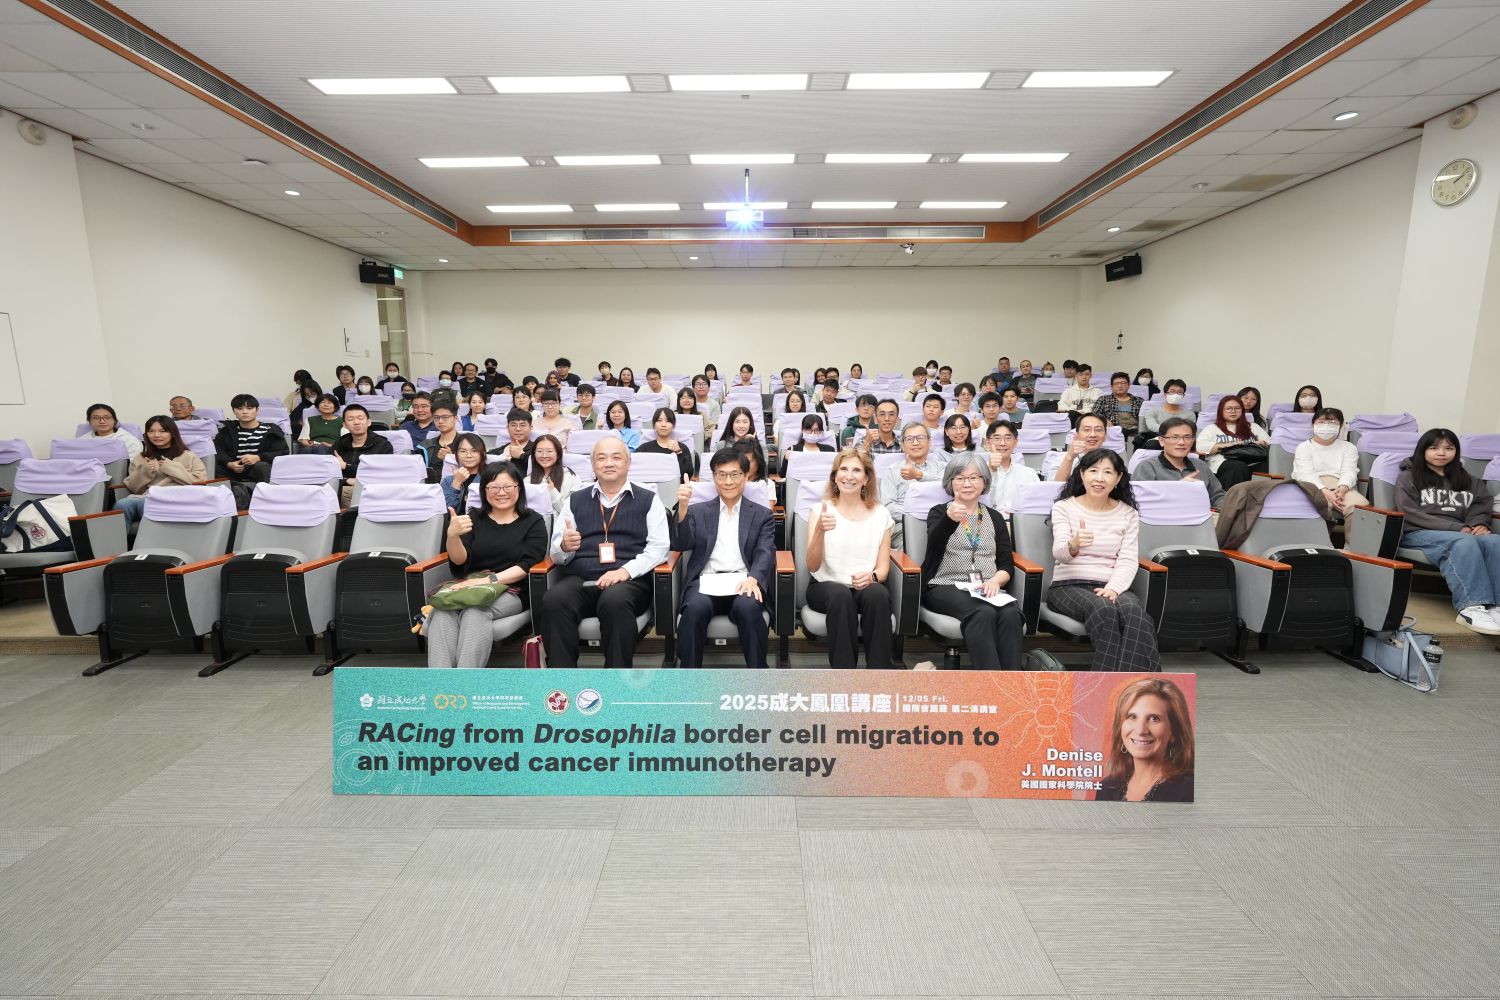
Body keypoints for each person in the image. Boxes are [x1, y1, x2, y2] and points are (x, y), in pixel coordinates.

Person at [543, 436, 670, 667]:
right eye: (601, 458)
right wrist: (564, 547)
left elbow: (659, 548)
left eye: (616, 457)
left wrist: (624, 571)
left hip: (629, 581)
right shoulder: (575, 500)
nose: (609, 463)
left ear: (628, 463)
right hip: (581, 577)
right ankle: (562, 681)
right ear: (593, 465)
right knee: (554, 599)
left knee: (614, 601)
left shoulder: (649, 500)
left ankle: (615, 679)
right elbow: (557, 554)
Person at [1048, 449, 1160, 671]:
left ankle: (1132, 684)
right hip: (1068, 586)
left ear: (1118, 479)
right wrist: (1074, 545)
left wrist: (1114, 589)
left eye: (1108, 472)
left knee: (1134, 611)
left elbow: (1128, 559)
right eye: (1093, 471)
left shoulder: (1128, 513)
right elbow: (1059, 554)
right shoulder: (1064, 507)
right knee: (1104, 609)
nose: (1099, 478)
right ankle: (1112, 684)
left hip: (1112, 586)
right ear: (1082, 474)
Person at [429, 462, 548, 669]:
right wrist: (452, 536)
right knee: (442, 611)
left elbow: (526, 565)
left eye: (507, 486)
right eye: (494, 487)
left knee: (475, 611)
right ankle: (440, 682)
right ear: (484, 490)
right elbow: (459, 560)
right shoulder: (473, 518)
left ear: (519, 488)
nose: (501, 493)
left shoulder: (533, 521)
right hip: (468, 584)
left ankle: (466, 680)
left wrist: (488, 580)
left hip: (511, 590)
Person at [670, 448, 776, 668]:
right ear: (714, 477)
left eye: (735, 474)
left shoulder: (761, 514)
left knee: (749, 609)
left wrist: (754, 578)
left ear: (746, 477)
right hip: (705, 582)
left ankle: (759, 675)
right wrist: (682, 508)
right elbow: (680, 544)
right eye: (722, 475)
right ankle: (688, 678)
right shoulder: (697, 511)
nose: (728, 481)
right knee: (694, 610)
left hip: (744, 582)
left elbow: (765, 551)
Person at [920, 453, 1025, 669]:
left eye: (974, 477)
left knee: (1011, 613)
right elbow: (935, 544)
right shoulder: (939, 512)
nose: (967, 484)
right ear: (950, 482)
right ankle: (989, 684)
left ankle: (1012, 684)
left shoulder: (995, 517)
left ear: (984, 482)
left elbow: (1006, 562)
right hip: (944, 585)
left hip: (986, 587)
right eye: (959, 478)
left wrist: (995, 581)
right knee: (982, 612)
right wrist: (950, 520)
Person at [1394, 429, 1500, 635]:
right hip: (1419, 532)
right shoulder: (1408, 477)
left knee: (1495, 541)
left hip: (1462, 531)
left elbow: (1481, 504)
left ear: (1456, 451)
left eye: (1448, 448)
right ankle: (1471, 607)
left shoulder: (1469, 480)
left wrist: (1478, 523)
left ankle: (1495, 607)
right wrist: (1458, 528)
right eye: (1434, 448)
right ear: (1423, 450)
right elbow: (1409, 513)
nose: (1441, 453)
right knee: (1463, 542)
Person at [806, 448, 895, 668]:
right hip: (825, 587)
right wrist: (819, 531)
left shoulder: (881, 514)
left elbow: (883, 569)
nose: (849, 476)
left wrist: (871, 577)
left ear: (866, 479)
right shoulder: (820, 510)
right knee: (840, 594)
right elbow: (812, 565)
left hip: (864, 586)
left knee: (878, 594)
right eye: (843, 469)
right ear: (835, 477)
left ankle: (880, 676)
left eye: (856, 470)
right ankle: (844, 677)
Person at [1093, 677, 1194, 802]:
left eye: (1154, 718)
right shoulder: (1107, 788)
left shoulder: (1189, 790)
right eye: (1132, 717)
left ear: (1173, 731)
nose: (1141, 730)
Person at [117, 415, 208, 525]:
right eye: (151, 431)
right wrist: (145, 470)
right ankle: (119, 537)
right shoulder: (141, 458)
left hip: (179, 498)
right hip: (148, 496)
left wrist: (169, 468)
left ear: (172, 433)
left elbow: (200, 482)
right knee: (122, 504)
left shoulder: (188, 456)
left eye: (162, 431)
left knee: (146, 504)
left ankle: (152, 535)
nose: (156, 435)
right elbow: (133, 488)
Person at [880, 421, 949, 546]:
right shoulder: (892, 470)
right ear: (903, 445)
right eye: (910, 439)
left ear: (929, 442)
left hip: (941, 522)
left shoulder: (942, 467)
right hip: (905, 524)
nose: (915, 443)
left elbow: (948, 487)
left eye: (920, 438)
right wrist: (915, 516)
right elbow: (888, 505)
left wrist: (920, 476)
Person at [1291, 408, 1367, 520]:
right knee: (1316, 507)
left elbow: (1349, 471)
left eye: (1332, 422)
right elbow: (1305, 474)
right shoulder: (1303, 447)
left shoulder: (1349, 447)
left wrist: (1342, 489)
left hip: (1340, 485)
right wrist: (1325, 492)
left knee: (1361, 510)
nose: (1326, 426)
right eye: (1321, 422)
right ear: (1313, 425)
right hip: (1311, 486)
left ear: (1341, 426)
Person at [1133, 416, 1226, 507]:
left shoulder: (1200, 465)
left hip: (1201, 515)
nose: (1181, 442)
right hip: (1163, 516)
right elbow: (1141, 501)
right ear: (1161, 441)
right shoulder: (1147, 467)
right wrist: (1179, 488)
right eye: (1175, 437)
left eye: (1187, 437)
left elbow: (1218, 496)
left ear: (1192, 441)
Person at [214, 394, 289, 489]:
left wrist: (259, 457)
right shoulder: (227, 430)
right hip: (234, 472)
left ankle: (268, 493)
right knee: (216, 467)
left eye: (249, 408)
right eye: (239, 409)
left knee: (262, 466)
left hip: (259, 471)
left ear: (257, 410)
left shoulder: (270, 430)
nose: (245, 412)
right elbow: (218, 450)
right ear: (233, 411)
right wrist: (229, 463)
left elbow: (282, 452)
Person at [1196, 394, 1270, 487]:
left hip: (1251, 459)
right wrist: (1234, 444)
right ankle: (1232, 496)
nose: (1233, 411)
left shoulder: (1253, 426)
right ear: (1221, 411)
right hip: (1224, 461)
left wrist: (1263, 443)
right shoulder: (1212, 428)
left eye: (1237, 408)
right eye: (1229, 408)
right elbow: (1199, 447)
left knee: (1267, 466)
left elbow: (1270, 443)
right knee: (1239, 467)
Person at [333, 404, 393, 505]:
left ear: (368, 422)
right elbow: (329, 473)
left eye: (360, 418)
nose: (356, 422)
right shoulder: (339, 445)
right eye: (351, 419)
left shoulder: (383, 445)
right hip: (343, 491)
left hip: (374, 492)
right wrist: (347, 481)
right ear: (344, 425)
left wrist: (345, 467)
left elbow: (383, 473)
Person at [983, 421, 1040, 516]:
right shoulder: (977, 473)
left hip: (1020, 521)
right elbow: (982, 505)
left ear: (1015, 442)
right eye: (997, 438)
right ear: (988, 442)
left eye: (1008, 438)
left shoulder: (1029, 473)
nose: (1002, 443)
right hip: (989, 522)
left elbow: (1036, 504)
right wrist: (992, 471)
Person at [636, 407, 696, 480]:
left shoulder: (682, 448)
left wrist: (678, 452)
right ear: (654, 424)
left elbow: (688, 475)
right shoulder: (643, 449)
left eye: (668, 421)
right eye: (659, 421)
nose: (663, 425)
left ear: (673, 425)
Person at [1052, 413, 1111, 482]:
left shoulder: (1111, 460)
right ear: (1076, 436)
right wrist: (1069, 458)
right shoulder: (1061, 460)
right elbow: (1056, 486)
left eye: (1098, 430)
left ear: (1105, 435)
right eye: (1087, 430)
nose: (1093, 435)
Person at [529, 433, 578, 515]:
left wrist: (552, 492)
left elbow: (572, 512)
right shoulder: (527, 480)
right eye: (540, 451)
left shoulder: (571, 478)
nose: (544, 455)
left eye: (549, 451)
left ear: (558, 454)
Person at [1138, 378, 1192, 448]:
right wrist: (1173, 434)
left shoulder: (1190, 414)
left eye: (1180, 392)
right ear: (1165, 394)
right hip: (1158, 440)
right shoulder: (1152, 412)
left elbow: (1188, 430)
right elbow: (1152, 426)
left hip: (1181, 441)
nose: (1176, 395)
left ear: (1183, 395)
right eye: (1172, 391)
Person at [418, 400, 462, 483]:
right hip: (429, 487)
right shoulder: (425, 446)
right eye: (436, 417)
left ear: (456, 418)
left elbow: (474, 470)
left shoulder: (467, 444)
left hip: (457, 486)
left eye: (445, 417)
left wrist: (451, 458)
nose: (440, 421)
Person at [441, 432, 487, 510]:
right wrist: (456, 483)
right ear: (456, 455)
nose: (468, 455)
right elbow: (446, 512)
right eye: (463, 451)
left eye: (474, 451)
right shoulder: (447, 481)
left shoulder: (490, 478)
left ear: (483, 453)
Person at [1092, 371, 1142, 435]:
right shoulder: (1103, 399)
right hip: (1113, 431)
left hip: (1136, 432)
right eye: (1116, 383)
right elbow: (1094, 416)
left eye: (1123, 383)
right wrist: (1104, 421)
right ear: (1111, 386)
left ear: (1129, 385)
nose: (1120, 386)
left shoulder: (1138, 400)